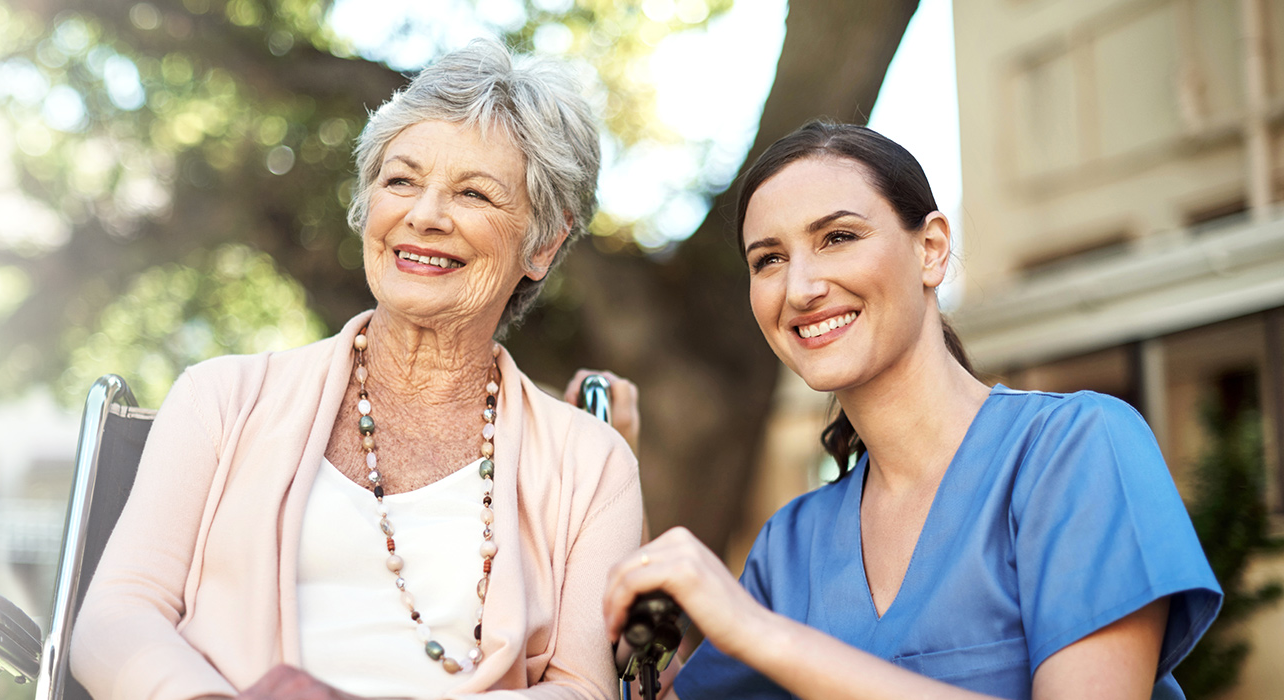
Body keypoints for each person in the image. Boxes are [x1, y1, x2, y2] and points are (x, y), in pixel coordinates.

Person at [69, 39, 643, 700]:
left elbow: (583, 689)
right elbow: (115, 617)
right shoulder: (221, 398)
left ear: (543, 243)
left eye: (474, 193)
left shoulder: (591, 463)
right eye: (400, 180)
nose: (424, 216)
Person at [600, 121, 1223, 700]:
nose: (800, 288)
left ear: (931, 249)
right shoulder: (791, 547)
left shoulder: (1076, 447)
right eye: (769, 259)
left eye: (837, 237)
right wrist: (612, 476)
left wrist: (763, 634)